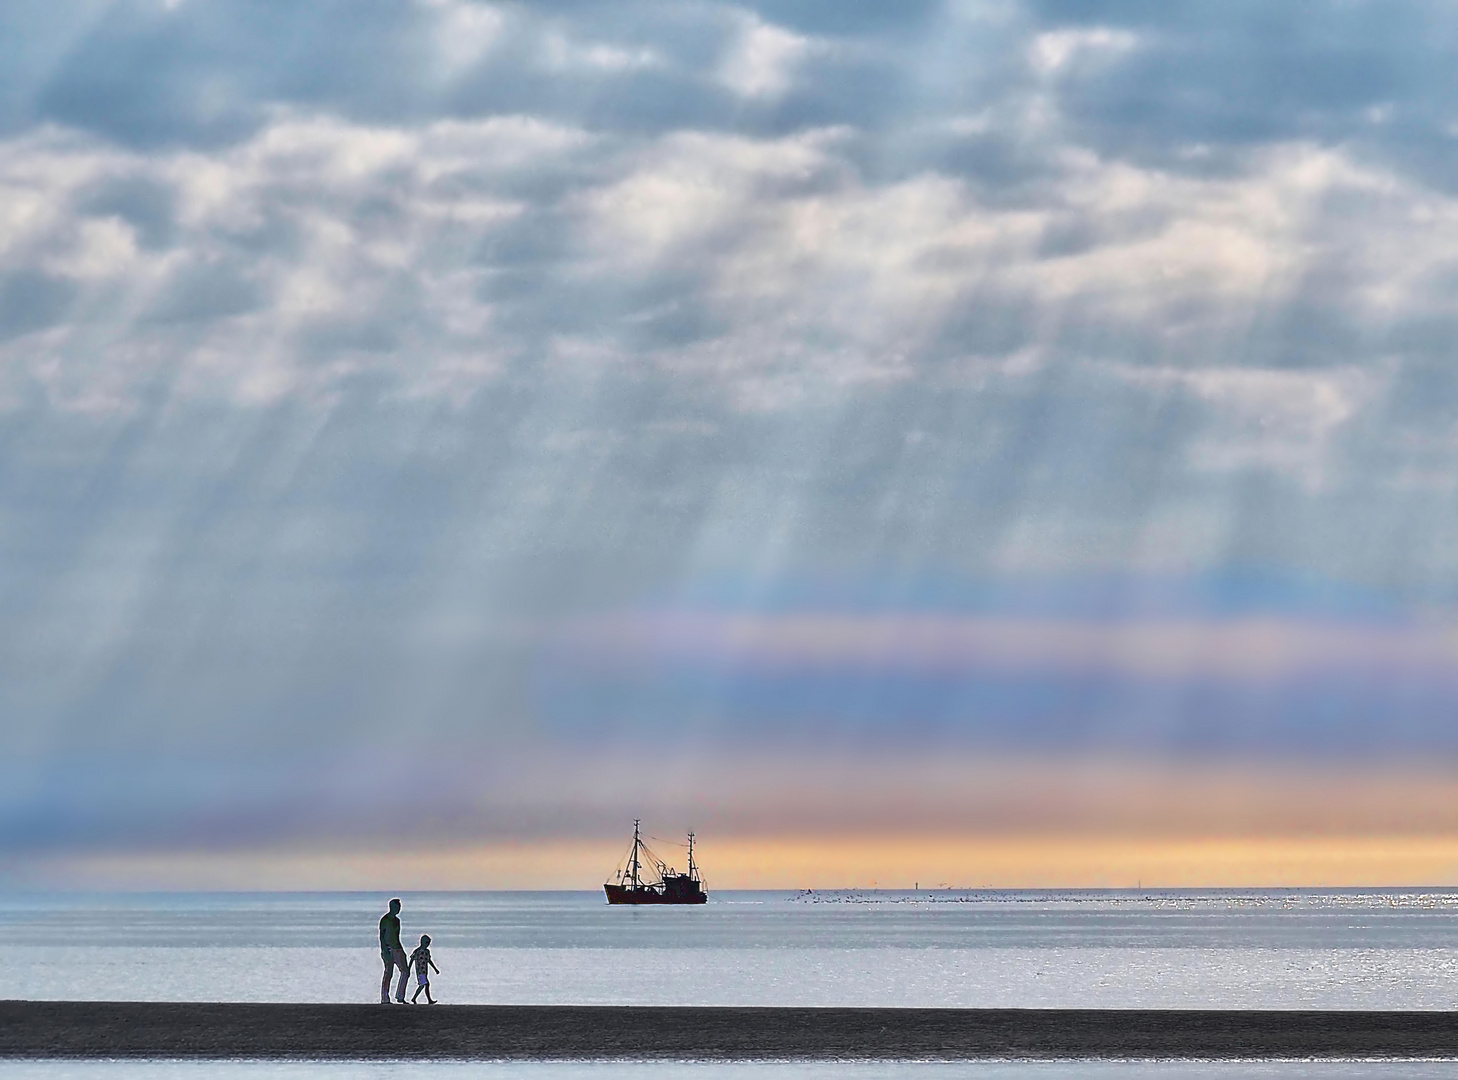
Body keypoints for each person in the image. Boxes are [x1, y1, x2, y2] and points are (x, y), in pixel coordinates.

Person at [379, 898, 409, 1004]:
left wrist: (401, 949)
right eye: (397, 907)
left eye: (399, 907)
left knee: (405, 971)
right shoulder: (385, 920)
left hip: (397, 948)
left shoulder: (397, 921)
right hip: (388, 949)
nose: (398, 909)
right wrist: (384, 950)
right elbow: (382, 936)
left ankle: (400, 995)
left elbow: (397, 936)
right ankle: (385, 997)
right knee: (388, 973)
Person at [409, 934, 440, 1004]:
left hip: (424, 971)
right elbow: (412, 960)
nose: (427, 945)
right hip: (420, 971)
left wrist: (435, 969)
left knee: (426, 984)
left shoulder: (427, 952)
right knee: (423, 984)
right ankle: (415, 998)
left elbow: (429, 961)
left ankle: (428, 1000)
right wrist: (409, 968)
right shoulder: (417, 951)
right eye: (427, 943)